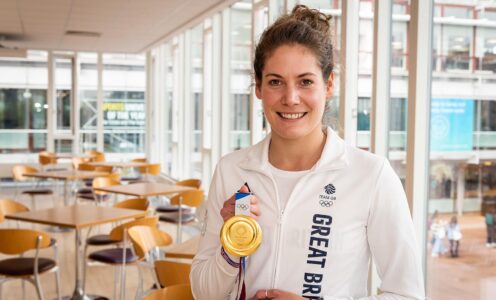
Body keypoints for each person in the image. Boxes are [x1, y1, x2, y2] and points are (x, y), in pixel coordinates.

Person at [191, 5, 424, 300]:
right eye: (275, 82)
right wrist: (231, 246)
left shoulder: (371, 175)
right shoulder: (232, 169)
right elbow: (203, 293)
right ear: (259, 88)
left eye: (305, 82)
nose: (290, 98)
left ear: (328, 86)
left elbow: (407, 294)